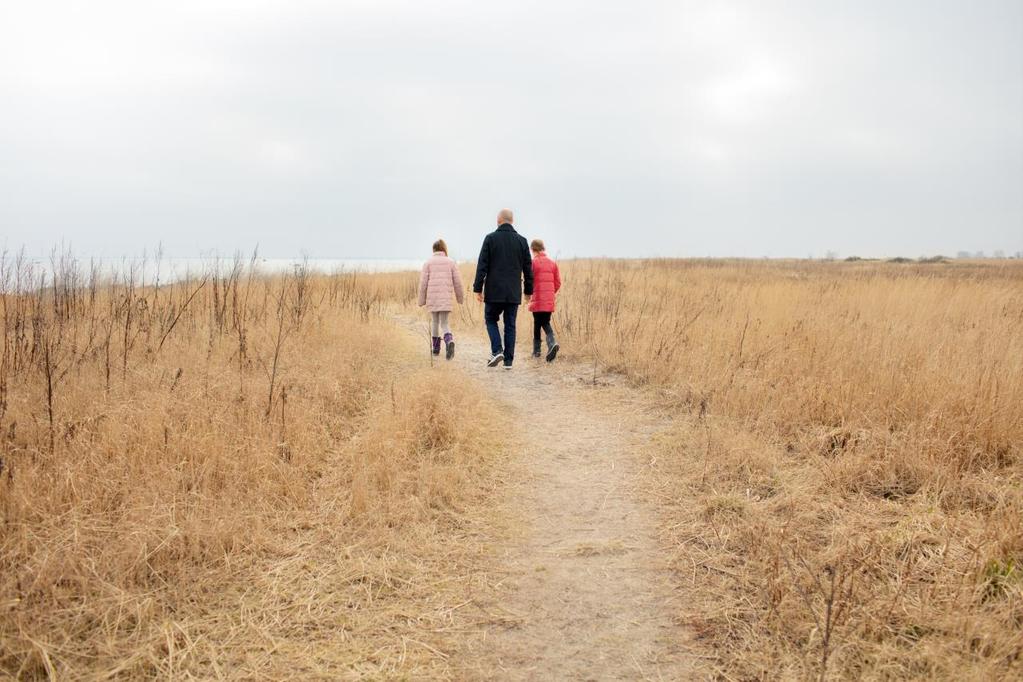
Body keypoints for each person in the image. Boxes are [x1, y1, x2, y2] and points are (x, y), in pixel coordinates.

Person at [472, 208, 533, 370]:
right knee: (510, 324)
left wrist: (478, 288)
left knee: (491, 319)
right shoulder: (522, 241)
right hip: (513, 292)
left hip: (494, 291)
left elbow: (482, 266)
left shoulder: (490, 239)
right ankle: (508, 361)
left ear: (498, 220)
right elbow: (528, 269)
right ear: (512, 221)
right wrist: (528, 291)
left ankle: (497, 350)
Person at [417, 239, 464, 360]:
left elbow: (423, 283)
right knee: (444, 323)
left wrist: (421, 300)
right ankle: (449, 341)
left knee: (435, 322)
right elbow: (458, 282)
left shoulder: (428, 263)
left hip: (433, 298)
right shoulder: (451, 262)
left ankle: (436, 349)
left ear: (434, 250)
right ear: (444, 249)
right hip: (446, 298)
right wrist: (460, 298)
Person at [528, 239, 561, 362]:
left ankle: (546, 346)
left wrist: (529, 293)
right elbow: (558, 282)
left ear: (533, 250)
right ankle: (542, 348)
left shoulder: (533, 263)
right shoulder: (553, 263)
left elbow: (529, 281)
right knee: (542, 321)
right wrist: (550, 293)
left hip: (537, 299)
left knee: (540, 322)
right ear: (543, 248)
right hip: (548, 299)